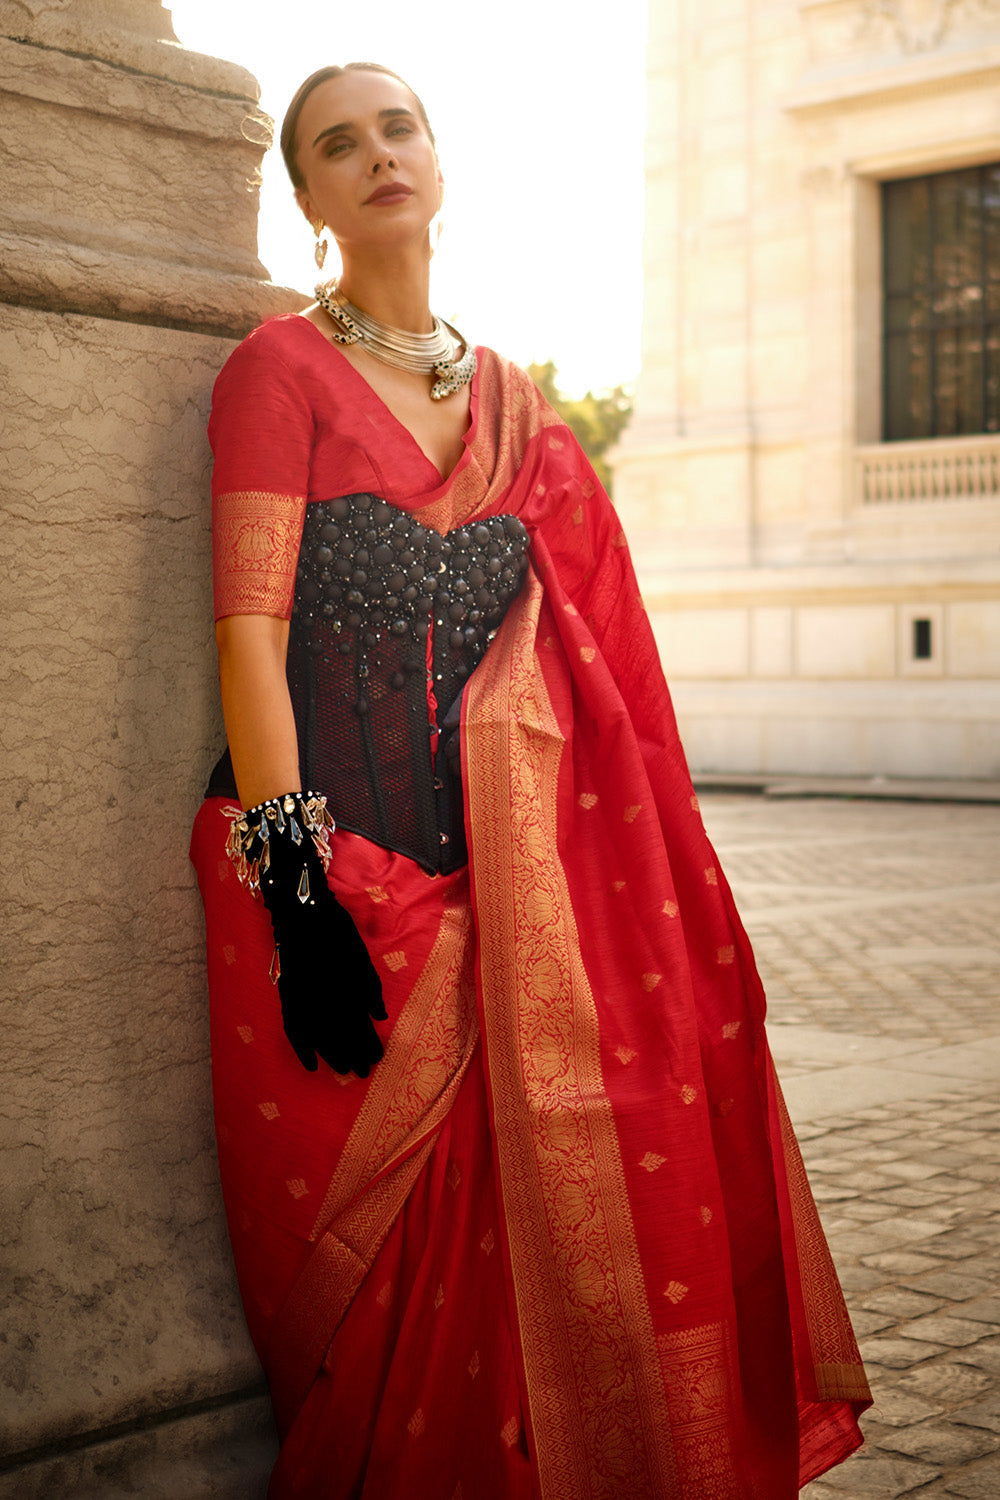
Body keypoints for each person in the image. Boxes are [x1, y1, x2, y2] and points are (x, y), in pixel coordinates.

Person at [190, 61, 871, 1500]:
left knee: (562, 1230)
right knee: (379, 1270)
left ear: (438, 158)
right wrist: (297, 883)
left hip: (525, 896)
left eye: (399, 128)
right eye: (338, 145)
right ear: (306, 200)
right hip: (340, 882)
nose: (377, 155)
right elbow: (248, 639)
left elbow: (598, 666)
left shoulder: (520, 408)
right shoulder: (277, 374)